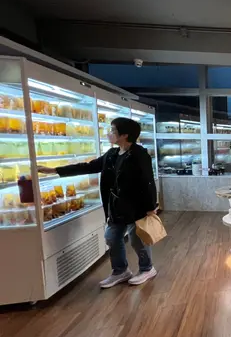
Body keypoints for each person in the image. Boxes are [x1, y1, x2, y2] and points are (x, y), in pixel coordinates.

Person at [38, 117, 158, 288]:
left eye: (113, 130)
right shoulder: (112, 154)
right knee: (111, 237)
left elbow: (148, 181)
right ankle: (120, 271)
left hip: (136, 206)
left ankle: (147, 268)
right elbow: (88, 166)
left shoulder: (139, 154)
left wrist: (151, 206)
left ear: (124, 135)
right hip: (116, 206)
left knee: (137, 239)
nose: (109, 133)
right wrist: (54, 170)